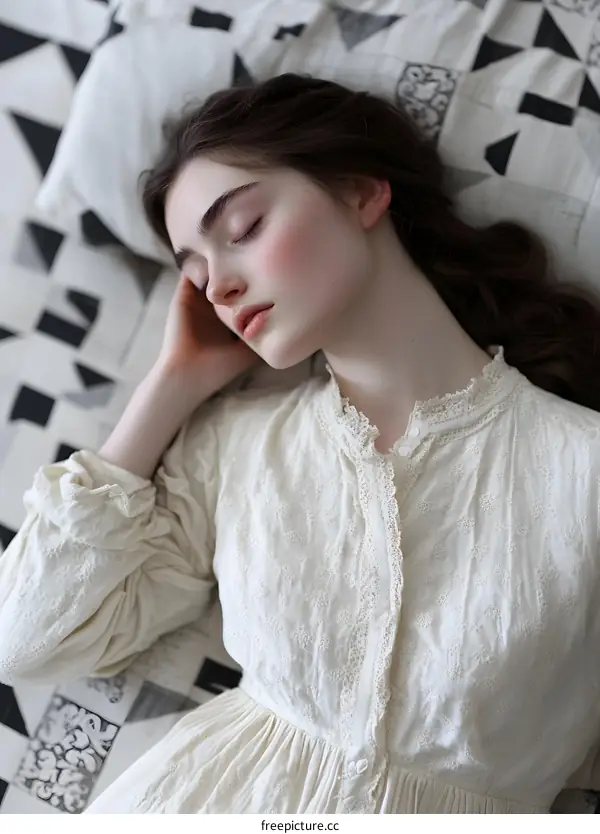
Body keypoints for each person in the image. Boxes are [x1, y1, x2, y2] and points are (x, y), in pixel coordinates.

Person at [1, 73, 600, 815]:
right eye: (195, 274)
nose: (218, 286)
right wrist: (171, 383)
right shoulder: (236, 447)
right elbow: (27, 637)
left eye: (243, 230)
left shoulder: (582, 469)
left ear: (359, 192)